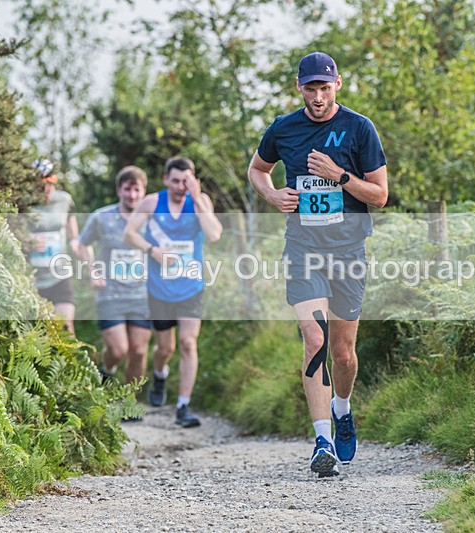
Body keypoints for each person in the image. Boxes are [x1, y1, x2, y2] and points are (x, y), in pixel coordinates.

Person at [247, 52, 388, 476]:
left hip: (348, 250)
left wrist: (339, 176)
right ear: (299, 87)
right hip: (303, 248)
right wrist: (272, 195)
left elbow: (380, 196)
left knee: (343, 353)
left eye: (324, 87)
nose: (318, 95)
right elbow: (257, 169)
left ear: (337, 86)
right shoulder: (284, 129)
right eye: (310, 87)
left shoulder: (359, 129)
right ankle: (322, 440)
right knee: (315, 340)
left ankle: (342, 408)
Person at [124, 157, 222, 428]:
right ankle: (159, 372)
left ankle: (183, 406)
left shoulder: (199, 202)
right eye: (176, 181)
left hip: (191, 287)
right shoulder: (152, 203)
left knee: (189, 343)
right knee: (165, 347)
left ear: (194, 181)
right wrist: (152, 251)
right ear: (166, 180)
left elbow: (214, 235)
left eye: (186, 181)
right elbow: (129, 233)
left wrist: (198, 197)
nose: (181, 186)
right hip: (160, 289)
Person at [77, 166, 152, 393]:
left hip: (143, 295)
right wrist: (93, 271)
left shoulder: (151, 220)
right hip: (110, 294)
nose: (132, 195)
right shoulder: (102, 218)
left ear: (143, 191)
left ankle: (129, 400)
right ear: (119, 190)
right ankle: (107, 371)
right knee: (119, 350)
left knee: (138, 351)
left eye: (136, 190)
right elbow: (82, 245)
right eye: (128, 189)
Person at [28, 159, 81, 334]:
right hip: (32, 276)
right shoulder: (23, 203)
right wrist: (28, 241)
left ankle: (68, 362)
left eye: (49, 185)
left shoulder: (64, 200)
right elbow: (10, 230)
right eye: (40, 186)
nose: (45, 190)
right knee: (37, 332)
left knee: (65, 328)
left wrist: (75, 242)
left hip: (59, 274)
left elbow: (71, 227)